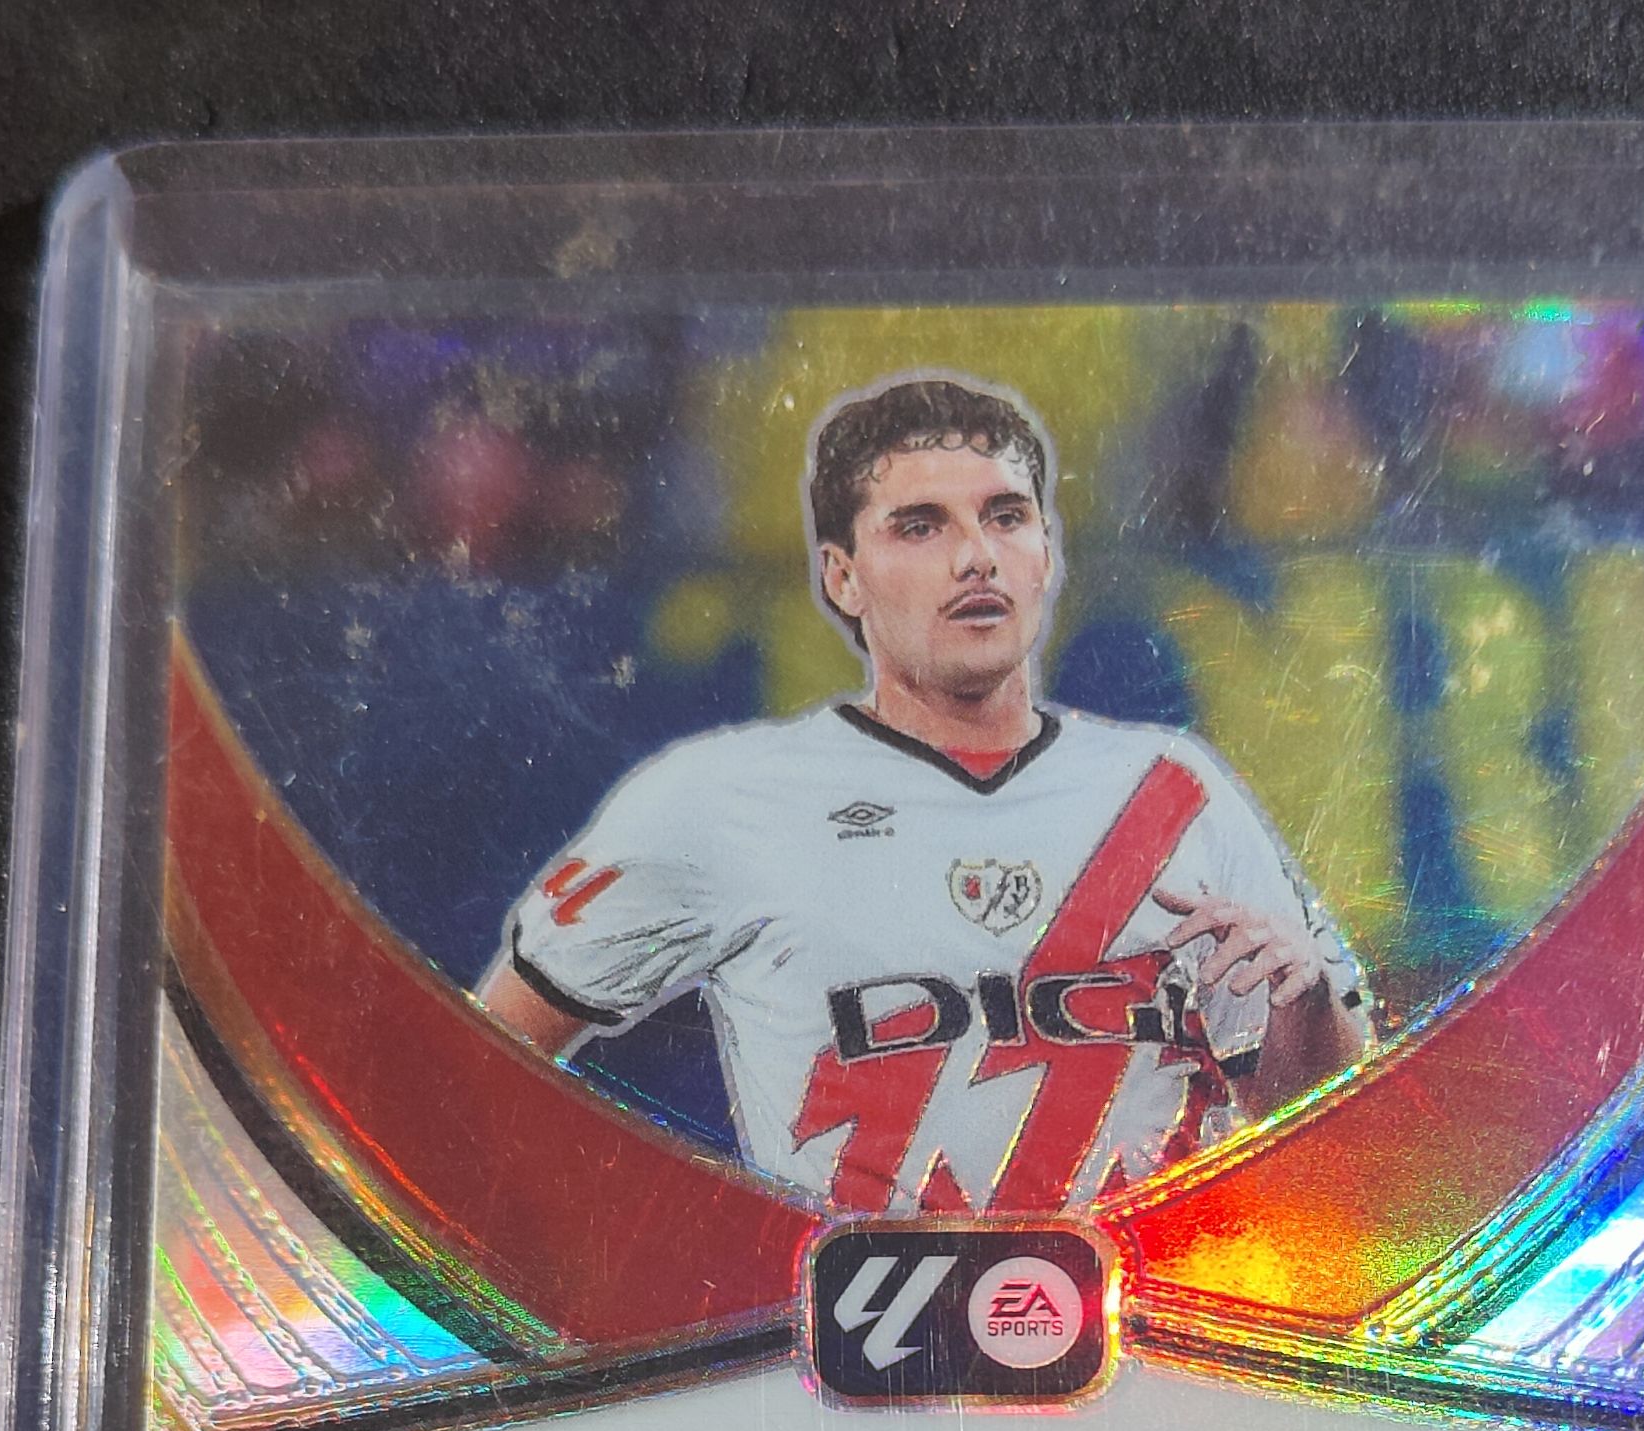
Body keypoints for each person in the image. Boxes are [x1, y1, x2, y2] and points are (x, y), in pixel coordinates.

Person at [479, 375, 1371, 1215]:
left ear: (1046, 554)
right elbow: (486, 1065)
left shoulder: (1178, 789)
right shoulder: (716, 797)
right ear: (842, 576)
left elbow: (1342, 1143)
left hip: (1151, 1320)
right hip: (841, 1328)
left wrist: (1307, 1009)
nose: (976, 558)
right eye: (920, 527)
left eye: (1006, 517)